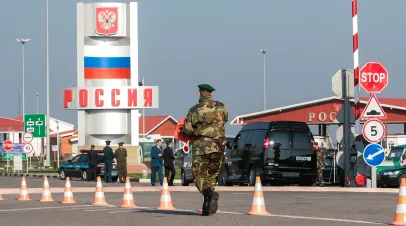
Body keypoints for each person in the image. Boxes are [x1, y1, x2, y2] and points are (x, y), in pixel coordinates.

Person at [180, 84, 228, 216]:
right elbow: (224, 120)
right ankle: (207, 207)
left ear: (199, 93)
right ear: (211, 94)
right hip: (218, 146)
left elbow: (188, 130)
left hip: (201, 146)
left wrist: (184, 130)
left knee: (198, 176)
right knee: (212, 175)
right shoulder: (221, 107)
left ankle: (209, 194)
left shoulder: (195, 110)